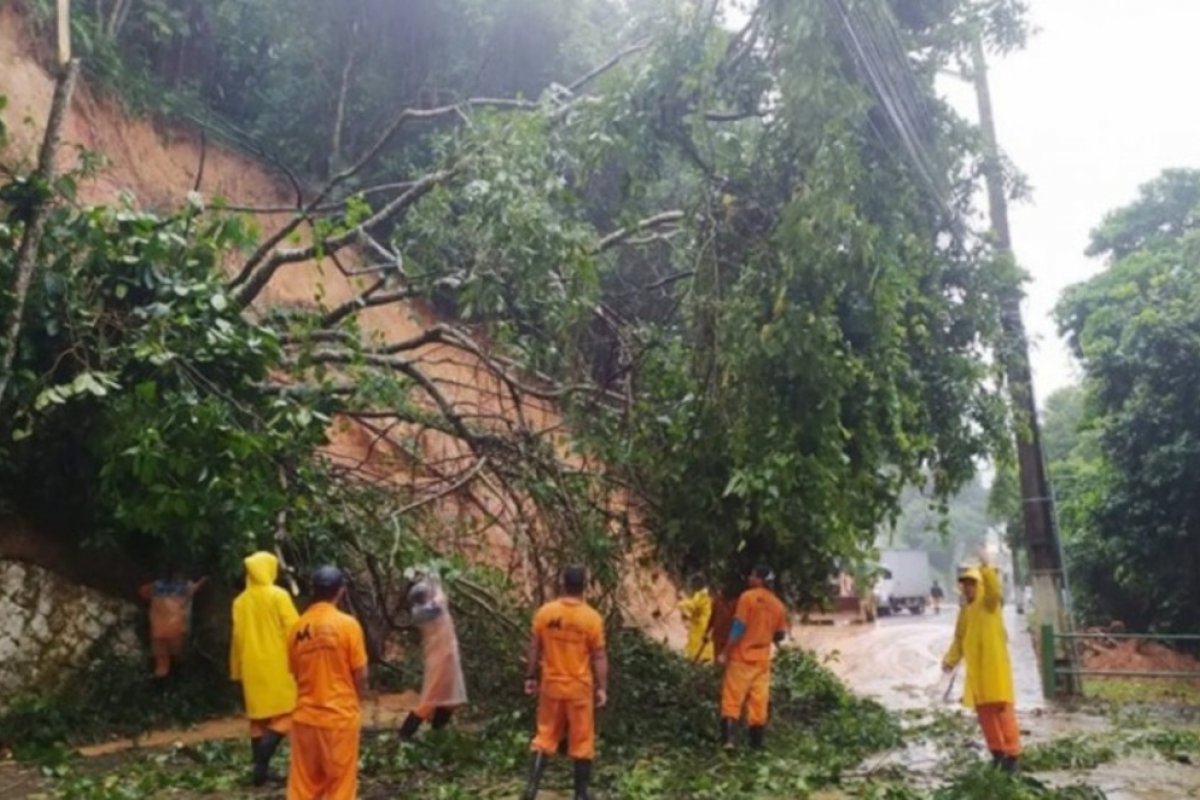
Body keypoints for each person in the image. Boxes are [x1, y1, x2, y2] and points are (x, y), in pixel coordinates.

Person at [521, 565, 608, 800]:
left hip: (551, 685)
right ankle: (580, 794)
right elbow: (599, 656)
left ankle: (531, 790)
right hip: (579, 688)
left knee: (545, 736)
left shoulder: (545, 613)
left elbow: (534, 647)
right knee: (582, 739)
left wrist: (530, 677)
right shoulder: (592, 619)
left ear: (562, 583)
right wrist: (602, 688)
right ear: (585, 586)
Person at [287, 566, 368, 800]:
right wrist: (355, 700)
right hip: (339, 718)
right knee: (340, 786)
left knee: (303, 788)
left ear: (314, 590)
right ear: (340, 591)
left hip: (305, 719)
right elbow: (361, 673)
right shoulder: (347, 625)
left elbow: (295, 673)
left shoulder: (296, 629)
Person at [942, 555, 1021, 774]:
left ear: (980, 585)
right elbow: (959, 639)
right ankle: (997, 754)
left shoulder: (990, 605)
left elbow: (995, 591)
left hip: (995, 671)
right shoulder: (965, 611)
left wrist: (987, 568)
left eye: (972, 584)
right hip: (977, 676)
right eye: (965, 584)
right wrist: (950, 660)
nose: (967, 588)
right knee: (986, 718)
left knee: (1003, 714)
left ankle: (1013, 757)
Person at [231, 551, 300, 786]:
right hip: (278, 664)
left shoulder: (239, 602)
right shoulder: (279, 596)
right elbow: (295, 630)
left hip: (250, 665)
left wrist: (236, 669)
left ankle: (261, 770)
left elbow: (237, 638)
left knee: (258, 719)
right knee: (288, 714)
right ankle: (260, 768)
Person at [717, 564, 788, 750]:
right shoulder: (778, 605)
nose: (749, 578)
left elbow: (738, 627)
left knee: (732, 698)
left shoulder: (747, 597)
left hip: (742, 657)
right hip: (763, 660)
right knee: (759, 702)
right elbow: (780, 635)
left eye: (752, 575)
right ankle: (756, 746)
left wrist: (725, 652)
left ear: (759, 579)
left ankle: (729, 742)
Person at [397, 574, 467, 740]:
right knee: (431, 700)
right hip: (440, 659)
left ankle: (436, 734)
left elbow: (440, 596)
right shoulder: (426, 611)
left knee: (452, 701)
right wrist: (433, 578)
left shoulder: (431, 607)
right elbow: (440, 600)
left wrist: (433, 578)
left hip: (447, 657)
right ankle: (404, 735)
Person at [138, 568, 207, 678]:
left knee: (161, 660)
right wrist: (205, 578)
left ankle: (160, 677)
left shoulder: (156, 586)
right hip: (177, 629)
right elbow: (197, 587)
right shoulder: (185, 586)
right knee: (178, 655)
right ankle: (177, 674)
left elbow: (142, 592)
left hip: (158, 630)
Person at [678, 575, 715, 663]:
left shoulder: (701, 594)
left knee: (695, 648)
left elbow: (693, 605)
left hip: (700, 625)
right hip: (705, 624)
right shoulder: (707, 594)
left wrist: (681, 603)